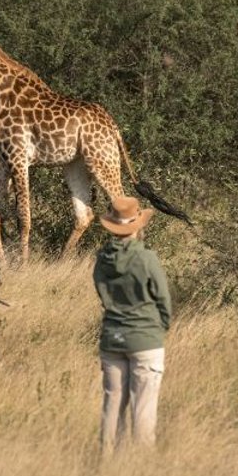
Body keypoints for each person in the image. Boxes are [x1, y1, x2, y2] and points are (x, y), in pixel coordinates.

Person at [93, 194, 172, 455]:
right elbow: (163, 300)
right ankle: (140, 467)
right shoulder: (147, 258)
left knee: (112, 404)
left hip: (112, 338)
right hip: (145, 338)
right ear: (138, 224)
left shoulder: (102, 260)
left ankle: (107, 460)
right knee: (143, 408)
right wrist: (159, 328)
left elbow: (103, 297)